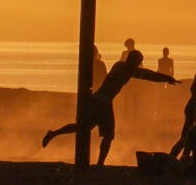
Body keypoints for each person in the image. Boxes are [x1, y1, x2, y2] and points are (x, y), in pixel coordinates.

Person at [42, 48, 177, 166]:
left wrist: (166, 78)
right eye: (138, 62)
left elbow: (148, 75)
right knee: (107, 134)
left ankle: (54, 133)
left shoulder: (120, 66)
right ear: (133, 61)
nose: (139, 65)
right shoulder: (126, 69)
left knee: (84, 127)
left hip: (100, 100)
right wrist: (167, 78)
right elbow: (149, 75)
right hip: (103, 102)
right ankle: (100, 163)